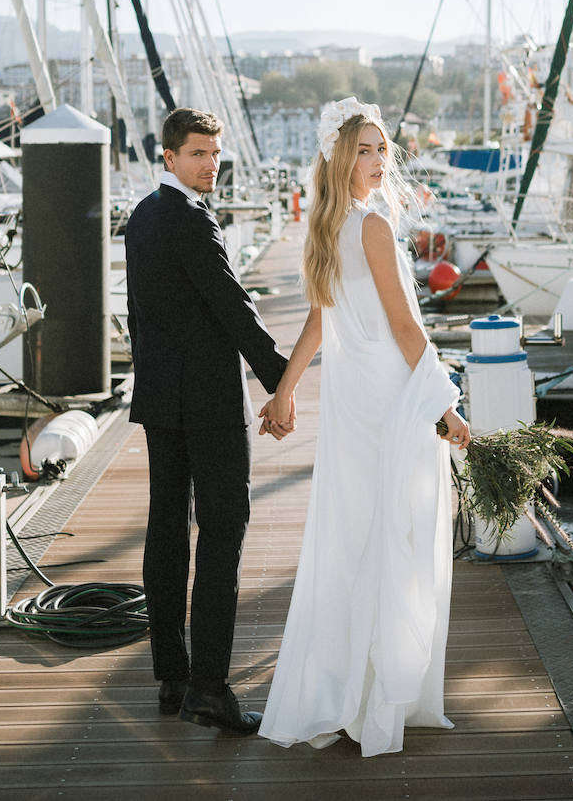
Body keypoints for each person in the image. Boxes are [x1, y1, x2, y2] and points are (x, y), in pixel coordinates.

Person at [257, 97, 470, 757]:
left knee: (360, 534)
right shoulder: (371, 226)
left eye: (383, 149)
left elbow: (320, 323)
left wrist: (283, 393)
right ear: (340, 157)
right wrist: (445, 407)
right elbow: (405, 329)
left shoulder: (328, 227)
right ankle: (373, 696)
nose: (378, 161)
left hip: (354, 399)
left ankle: (356, 688)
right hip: (385, 397)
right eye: (366, 150)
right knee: (392, 534)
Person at [125, 107, 292, 734]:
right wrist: (283, 382)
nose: (210, 164)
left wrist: (151, 379)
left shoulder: (141, 217)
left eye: (215, 154)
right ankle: (210, 688)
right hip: (210, 405)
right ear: (168, 156)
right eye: (198, 154)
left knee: (166, 533)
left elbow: (141, 316)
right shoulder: (190, 219)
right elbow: (233, 306)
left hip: (162, 399)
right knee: (223, 533)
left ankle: (171, 674)